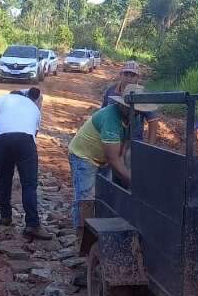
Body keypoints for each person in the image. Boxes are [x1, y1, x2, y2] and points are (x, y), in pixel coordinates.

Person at [68, 84, 158, 232]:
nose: (137, 113)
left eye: (139, 111)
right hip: (83, 155)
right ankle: (82, 233)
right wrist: (133, 181)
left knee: (103, 192)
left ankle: (97, 227)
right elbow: (113, 159)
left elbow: (122, 152)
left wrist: (128, 179)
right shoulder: (110, 118)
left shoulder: (133, 117)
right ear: (123, 105)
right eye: (135, 109)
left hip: (102, 157)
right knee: (86, 196)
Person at [0, 87, 51, 240]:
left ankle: (5, 216)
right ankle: (32, 224)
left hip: (2, 140)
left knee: (4, 178)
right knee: (29, 184)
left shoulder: (0, 99)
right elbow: (34, 133)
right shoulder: (34, 108)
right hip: (25, 140)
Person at [101, 60, 159, 144]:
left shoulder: (142, 94)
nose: (128, 78)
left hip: (134, 140)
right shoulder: (111, 91)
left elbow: (153, 119)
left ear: (138, 77)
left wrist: (150, 147)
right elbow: (103, 112)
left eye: (132, 75)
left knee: (129, 155)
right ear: (120, 75)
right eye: (126, 74)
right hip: (112, 137)